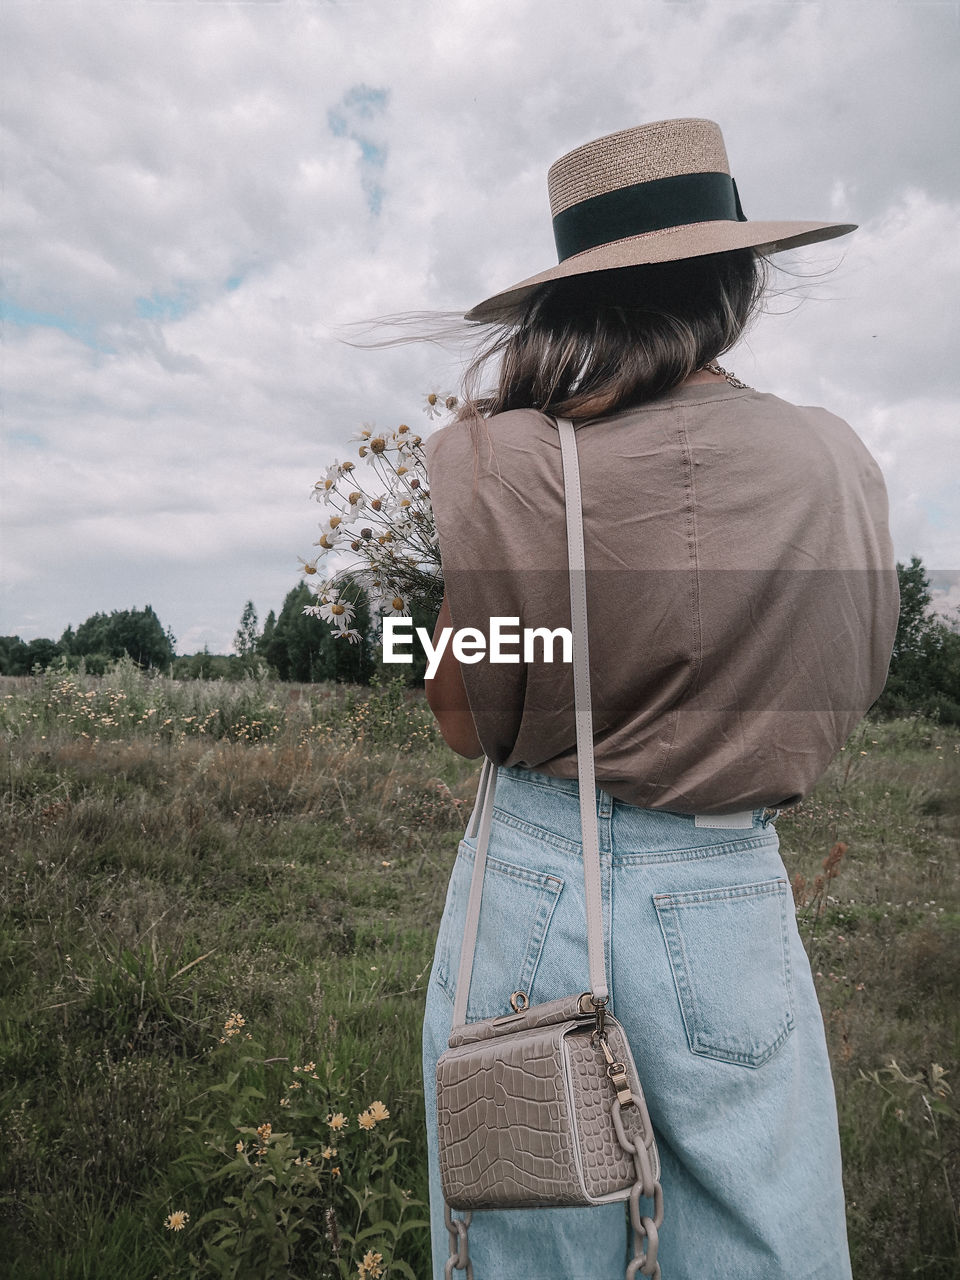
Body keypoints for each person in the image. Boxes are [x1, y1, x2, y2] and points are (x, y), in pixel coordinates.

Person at [419, 118, 899, 1280]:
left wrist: (408, 629)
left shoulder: (512, 465)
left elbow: (457, 711)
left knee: (521, 1241)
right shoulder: (834, 460)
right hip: (729, 884)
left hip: (534, 878)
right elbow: (854, 672)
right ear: (737, 274)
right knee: (760, 1242)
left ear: (573, 297)